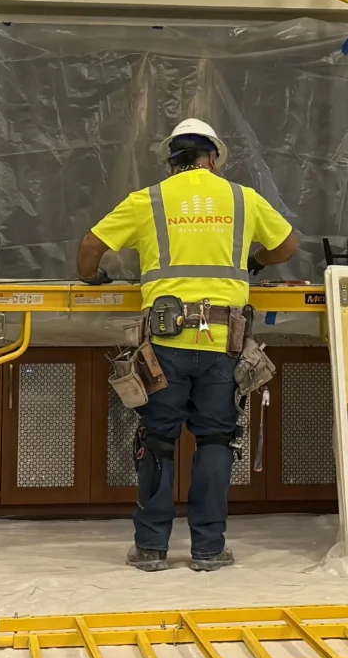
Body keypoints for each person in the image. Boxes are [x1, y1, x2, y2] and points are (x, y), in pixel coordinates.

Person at [79, 117, 300, 572]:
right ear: (213, 158)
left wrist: (93, 277)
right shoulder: (243, 198)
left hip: (165, 343)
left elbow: (90, 247)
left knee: (159, 439)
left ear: (171, 160)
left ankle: (151, 548)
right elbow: (288, 246)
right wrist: (255, 261)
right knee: (216, 439)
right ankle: (209, 549)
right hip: (223, 342)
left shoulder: (149, 199)